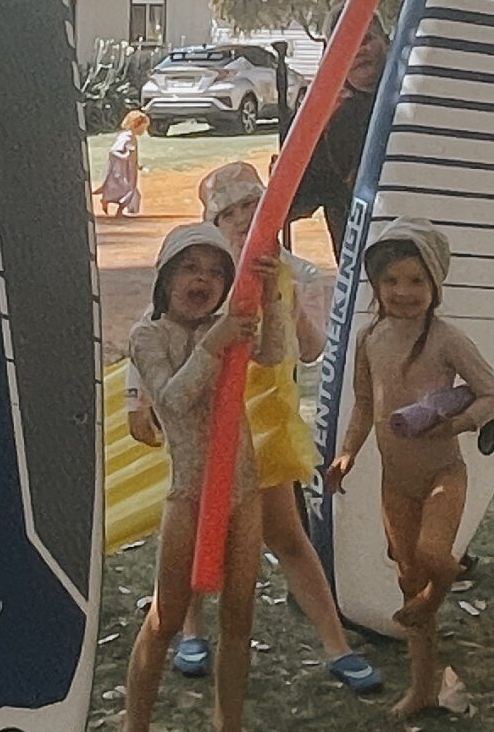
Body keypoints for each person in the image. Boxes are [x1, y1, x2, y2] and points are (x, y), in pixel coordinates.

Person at [148, 161, 380, 695]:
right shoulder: (200, 276)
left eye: (252, 208)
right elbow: (155, 336)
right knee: (200, 530)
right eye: (229, 212)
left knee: (289, 537)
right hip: (207, 427)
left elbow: (312, 348)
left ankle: (336, 644)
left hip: (267, 429)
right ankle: (190, 628)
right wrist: (142, 402)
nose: (243, 220)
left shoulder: (291, 273)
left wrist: (286, 303)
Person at [122, 222, 291, 732]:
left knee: (240, 613)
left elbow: (274, 353)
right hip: (191, 492)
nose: (203, 279)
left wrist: (269, 300)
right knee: (168, 616)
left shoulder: (231, 326)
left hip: (242, 489)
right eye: (191, 267)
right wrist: (215, 346)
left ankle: (231, 730)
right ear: (167, 276)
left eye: (216, 271)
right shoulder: (150, 336)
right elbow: (172, 401)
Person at [323, 220, 494, 719]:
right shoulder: (369, 337)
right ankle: (422, 686)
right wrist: (348, 452)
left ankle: (435, 595)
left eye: (416, 282)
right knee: (407, 575)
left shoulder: (446, 339)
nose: (403, 292)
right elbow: (364, 403)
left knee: (432, 554)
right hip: (394, 481)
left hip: (443, 471)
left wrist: (456, 424)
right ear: (376, 285)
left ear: (435, 286)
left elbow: (493, 393)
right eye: (392, 281)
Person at [288, 14, 389, 256]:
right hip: (360, 259)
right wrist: (288, 174)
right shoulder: (325, 120)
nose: (360, 50)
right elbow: (300, 201)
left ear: (386, 41)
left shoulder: (414, 92)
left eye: (367, 40)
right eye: (349, 44)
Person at [97, 109, 148, 217]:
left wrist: (136, 164)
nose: (144, 130)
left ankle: (117, 209)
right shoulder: (126, 137)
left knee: (131, 191)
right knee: (128, 189)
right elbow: (113, 151)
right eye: (143, 127)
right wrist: (125, 157)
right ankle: (112, 206)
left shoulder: (132, 137)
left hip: (130, 170)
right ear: (136, 125)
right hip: (122, 170)